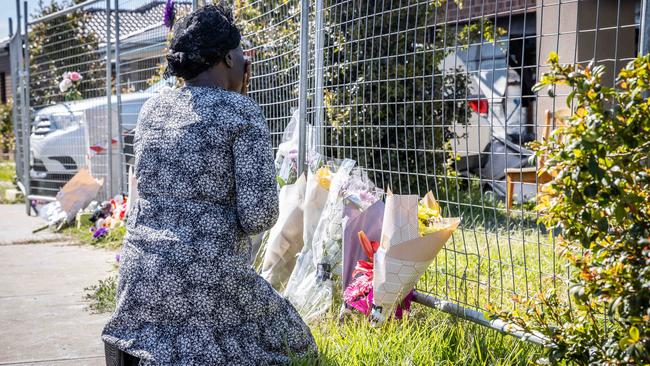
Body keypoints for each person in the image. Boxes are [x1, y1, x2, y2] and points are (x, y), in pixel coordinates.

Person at [102, 4, 317, 365]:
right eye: (241, 50)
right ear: (229, 59)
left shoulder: (152, 109)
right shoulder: (240, 111)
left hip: (140, 282)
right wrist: (241, 100)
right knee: (297, 344)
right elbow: (258, 216)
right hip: (207, 278)